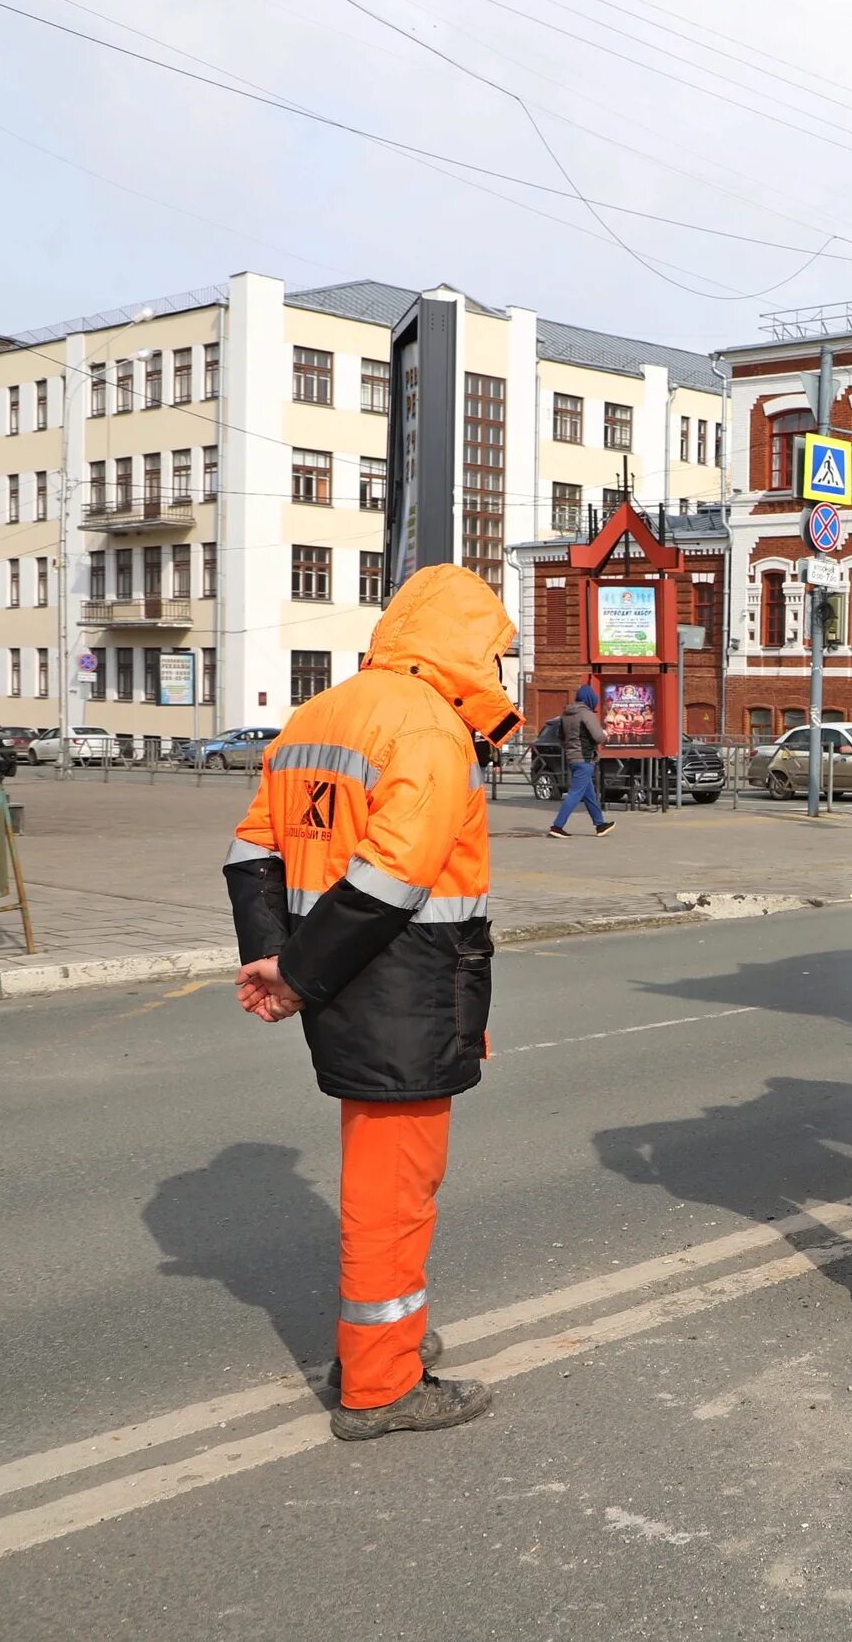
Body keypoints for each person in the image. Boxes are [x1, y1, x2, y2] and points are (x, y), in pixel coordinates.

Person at [224, 563, 522, 1439]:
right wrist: (295, 974)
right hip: (408, 984)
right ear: (462, 643)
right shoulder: (430, 728)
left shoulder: (319, 715)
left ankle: (374, 1352)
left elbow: (250, 852)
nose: (498, 673)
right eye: (494, 652)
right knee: (396, 1187)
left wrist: (278, 961)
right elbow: (393, 881)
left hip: (350, 988)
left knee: (381, 1174)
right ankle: (383, 1383)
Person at [547, 682, 613, 837]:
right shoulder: (587, 714)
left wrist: (571, 749)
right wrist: (605, 734)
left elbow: (560, 737)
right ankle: (557, 826)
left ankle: (600, 824)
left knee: (589, 794)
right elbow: (597, 736)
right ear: (590, 699)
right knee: (575, 793)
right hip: (584, 759)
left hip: (572, 758)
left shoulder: (566, 715)